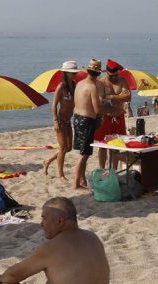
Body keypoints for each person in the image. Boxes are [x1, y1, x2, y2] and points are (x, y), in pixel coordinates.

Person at [43, 61, 80, 181]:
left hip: (69, 121)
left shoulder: (74, 86)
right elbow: (54, 105)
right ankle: (61, 174)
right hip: (60, 120)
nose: (74, 75)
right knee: (63, 148)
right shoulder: (61, 87)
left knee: (68, 148)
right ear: (65, 73)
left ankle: (48, 160)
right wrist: (55, 120)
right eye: (72, 73)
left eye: (75, 73)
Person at [72, 59, 105, 190]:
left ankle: (82, 180)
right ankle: (76, 183)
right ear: (97, 75)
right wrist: (106, 107)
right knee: (84, 154)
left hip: (76, 118)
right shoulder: (93, 87)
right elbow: (97, 109)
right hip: (87, 120)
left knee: (82, 152)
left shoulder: (79, 83)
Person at [94, 59, 131, 170]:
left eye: (115, 75)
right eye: (111, 76)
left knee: (116, 145)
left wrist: (110, 97)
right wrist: (119, 97)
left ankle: (114, 170)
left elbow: (128, 97)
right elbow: (100, 101)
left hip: (119, 116)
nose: (114, 78)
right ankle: (102, 169)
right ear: (107, 73)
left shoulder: (122, 80)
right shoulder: (101, 82)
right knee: (103, 146)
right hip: (105, 117)